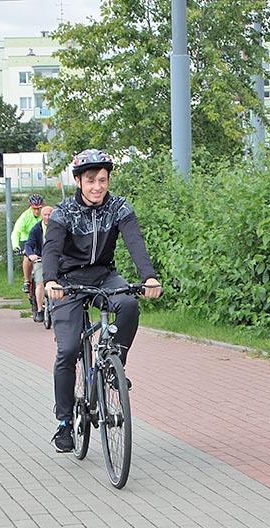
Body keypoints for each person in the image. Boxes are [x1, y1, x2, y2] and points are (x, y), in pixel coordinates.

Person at [42, 149, 162, 452]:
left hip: (104, 276)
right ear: (79, 181)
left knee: (129, 304)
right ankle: (64, 423)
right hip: (67, 282)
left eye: (103, 180)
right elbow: (52, 247)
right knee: (68, 349)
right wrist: (51, 280)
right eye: (91, 180)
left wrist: (148, 276)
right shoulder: (63, 212)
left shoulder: (119, 208)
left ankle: (114, 365)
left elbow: (135, 243)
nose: (97, 186)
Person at [23, 205, 53, 322]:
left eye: (50, 215)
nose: (47, 217)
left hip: (54, 260)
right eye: (45, 215)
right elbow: (29, 244)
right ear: (42, 215)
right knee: (40, 283)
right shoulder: (36, 229)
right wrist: (31, 255)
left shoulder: (58, 227)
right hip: (41, 258)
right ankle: (40, 310)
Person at [11, 194, 44, 294]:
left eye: (39, 208)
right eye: (34, 209)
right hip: (27, 240)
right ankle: (27, 281)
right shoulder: (25, 216)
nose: (37, 211)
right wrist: (15, 246)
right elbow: (16, 232)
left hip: (40, 239)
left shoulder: (45, 214)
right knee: (27, 256)